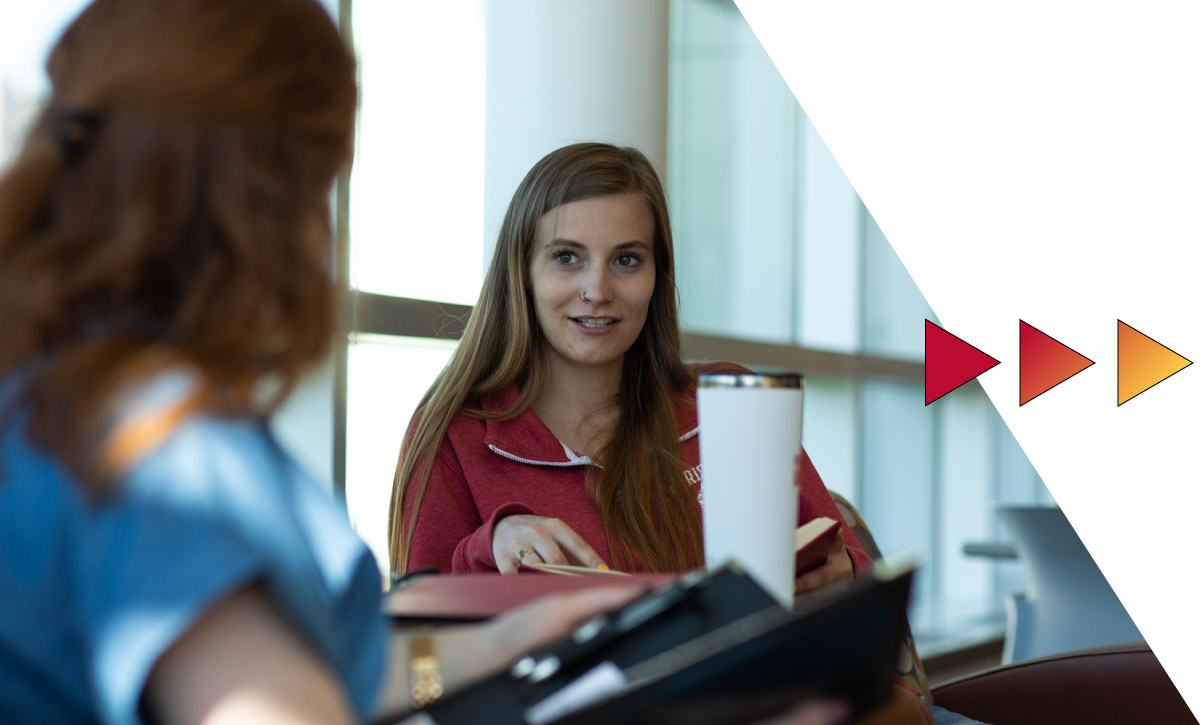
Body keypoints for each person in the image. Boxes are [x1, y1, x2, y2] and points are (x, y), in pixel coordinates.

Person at [0, 4, 796, 725]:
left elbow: (365, 677)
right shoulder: (170, 457)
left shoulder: (57, 393)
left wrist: (500, 643)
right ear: (262, 195)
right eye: (323, 184)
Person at [387, 142, 871, 591]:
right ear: (523, 275)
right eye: (567, 257)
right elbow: (420, 653)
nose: (597, 290)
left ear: (657, 277)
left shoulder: (732, 400)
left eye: (626, 260)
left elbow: (851, 569)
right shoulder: (452, 436)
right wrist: (484, 548)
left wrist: (847, 574)